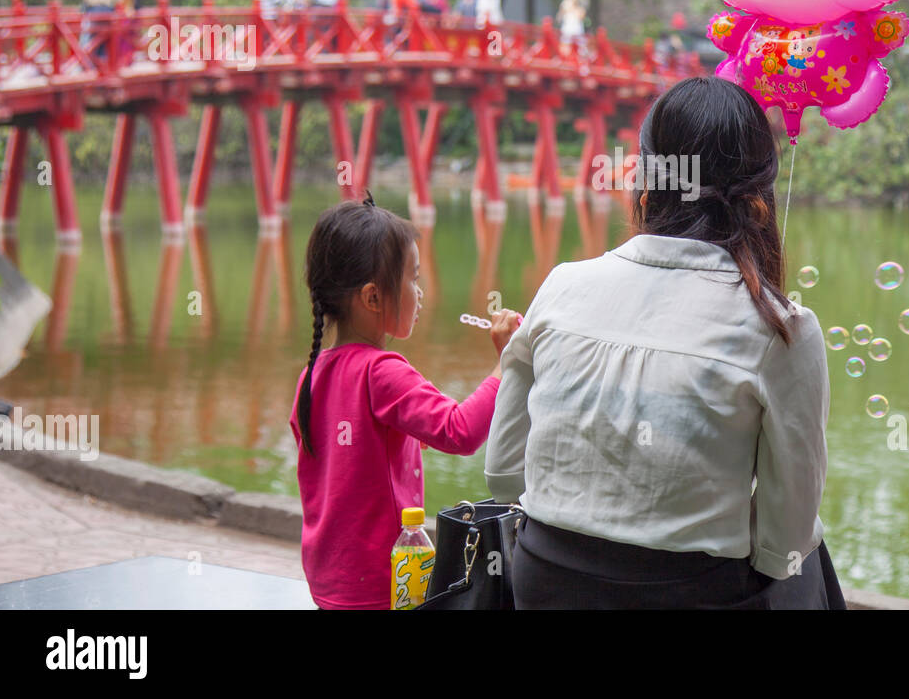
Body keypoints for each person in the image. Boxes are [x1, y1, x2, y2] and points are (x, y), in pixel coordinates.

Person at [485, 76, 845, 609]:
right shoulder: (782, 327)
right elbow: (783, 544)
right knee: (809, 560)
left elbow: (502, 474)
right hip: (690, 597)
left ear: (645, 179)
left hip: (545, 585)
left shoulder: (561, 285)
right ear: (759, 199)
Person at [290, 193, 522, 610]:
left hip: (330, 580)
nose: (421, 291)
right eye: (413, 278)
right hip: (384, 583)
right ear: (373, 298)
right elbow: (460, 432)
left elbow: (353, 455)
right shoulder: (382, 372)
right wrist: (506, 365)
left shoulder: (311, 375)